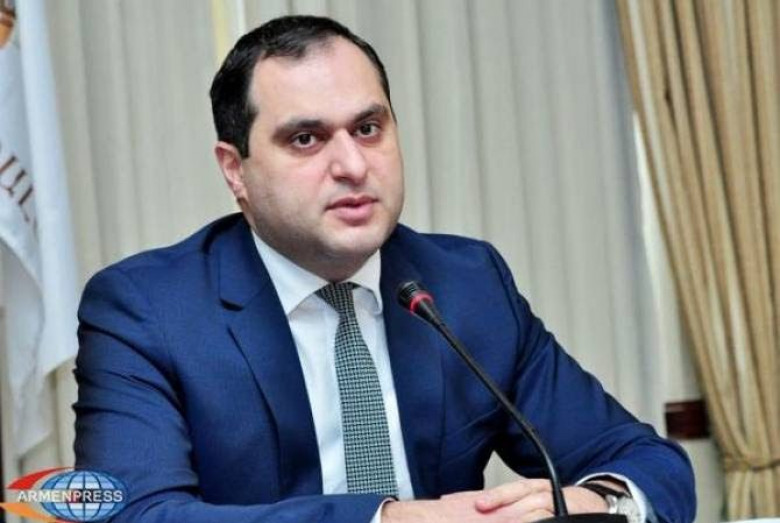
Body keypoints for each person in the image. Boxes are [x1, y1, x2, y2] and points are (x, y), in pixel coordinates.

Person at [74, 14, 696, 523]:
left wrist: (594, 503)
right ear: (235, 170)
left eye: (368, 128)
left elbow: (648, 462)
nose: (352, 165)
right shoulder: (147, 309)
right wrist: (389, 519)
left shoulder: (467, 283)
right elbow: (134, 513)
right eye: (306, 139)